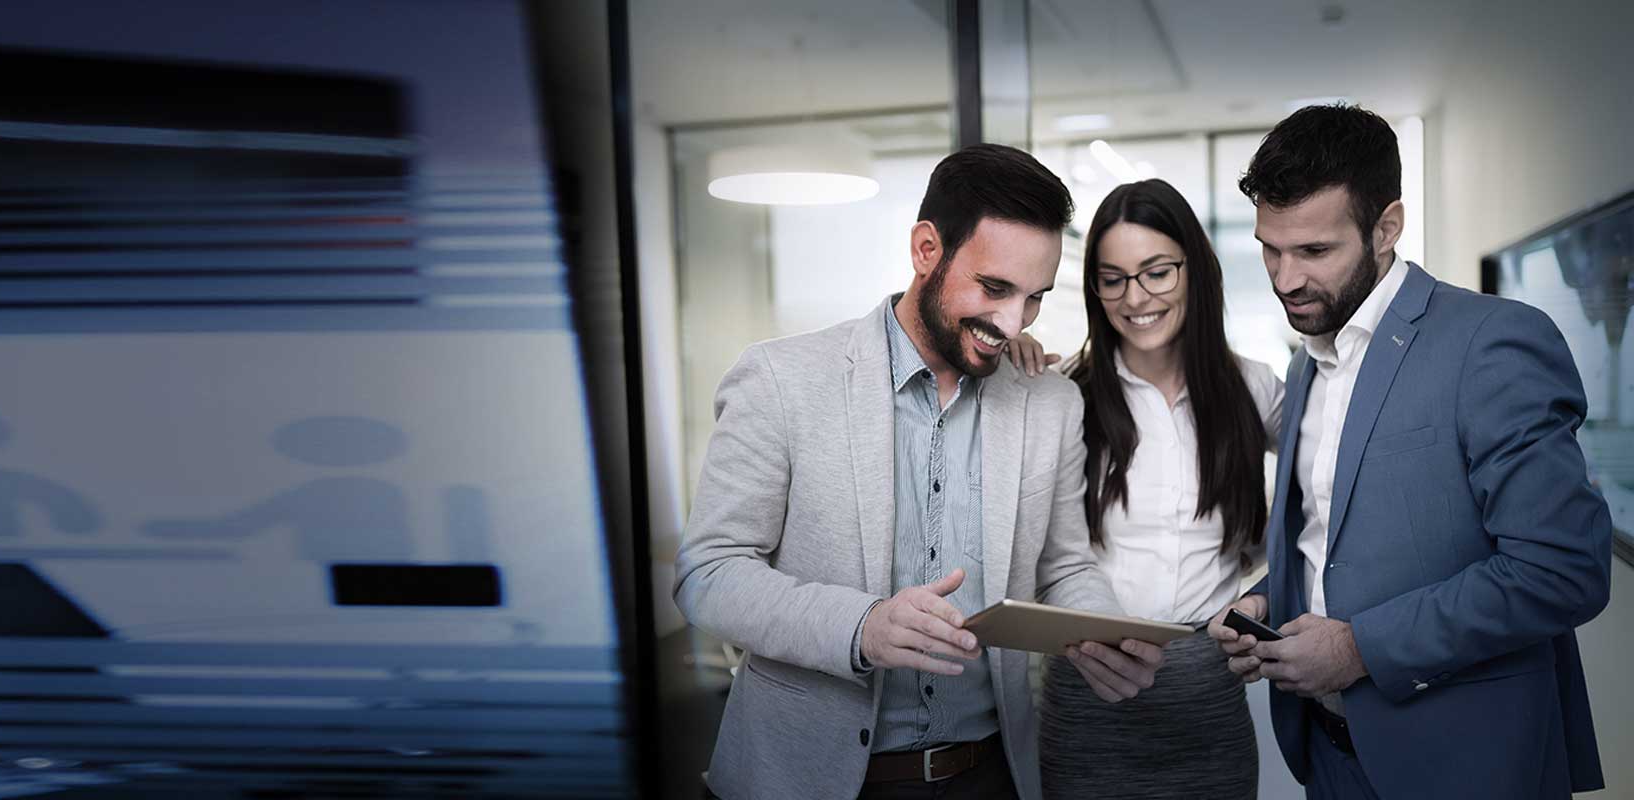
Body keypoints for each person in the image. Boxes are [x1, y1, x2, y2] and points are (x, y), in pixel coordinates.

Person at [674, 143, 1165, 800]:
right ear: (926, 250)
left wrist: (1100, 630)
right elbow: (709, 575)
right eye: (994, 288)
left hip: (989, 776)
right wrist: (861, 626)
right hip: (801, 779)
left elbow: (1065, 566)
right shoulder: (781, 380)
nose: (1011, 322)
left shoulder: (1049, 401)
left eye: (1034, 298)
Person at [1207, 104, 1611, 799]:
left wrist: (1358, 648)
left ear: (1387, 227)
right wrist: (1262, 601)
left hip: (1466, 764)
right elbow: (1327, 535)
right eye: (1270, 248)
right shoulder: (1308, 358)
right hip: (1329, 757)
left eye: (1314, 251)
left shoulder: (1491, 342)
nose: (1284, 279)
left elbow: (1563, 568)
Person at [1026, 178, 1282, 800]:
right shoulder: (1064, 395)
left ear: (1195, 268)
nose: (1134, 297)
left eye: (1156, 272)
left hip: (1208, 701)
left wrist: (1269, 599)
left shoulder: (1254, 389)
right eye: (1112, 278)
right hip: (1088, 698)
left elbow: (1333, 507)